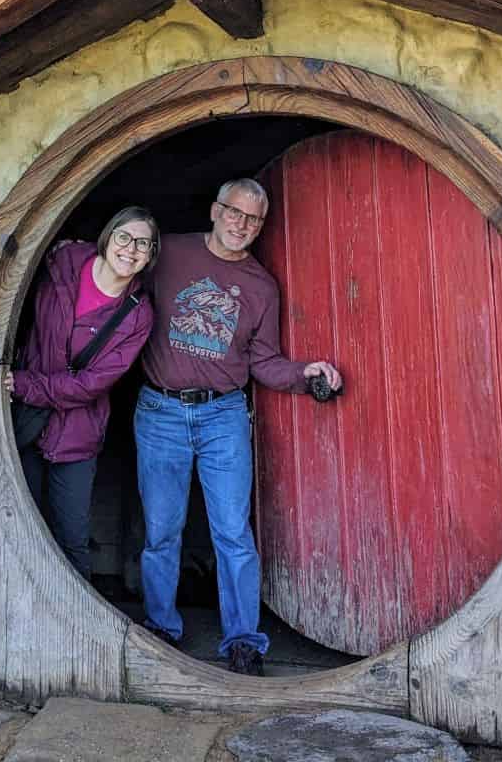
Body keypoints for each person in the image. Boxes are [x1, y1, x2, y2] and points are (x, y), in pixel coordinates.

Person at [135, 178, 341, 676]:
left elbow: (264, 362)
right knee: (162, 531)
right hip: (159, 411)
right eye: (233, 212)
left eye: (252, 218)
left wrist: (303, 373)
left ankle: (244, 641)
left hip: (223, 415)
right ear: (214, 209)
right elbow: (119, 287)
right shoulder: (167, 253)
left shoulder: (260, 286)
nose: (241, 224)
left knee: (233, 533)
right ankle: (161, 628)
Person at [5, 207, 158, 580]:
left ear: (151, 255)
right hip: (23, 421)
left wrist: (22, 383)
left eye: (143, 243)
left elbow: (92, 384)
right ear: (107, 237)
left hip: (76, 432)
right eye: (124, 237)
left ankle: (73, 633)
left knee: (70, 536)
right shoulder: (62, 261)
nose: (131, 249)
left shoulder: (138, 315)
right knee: (16, 529)